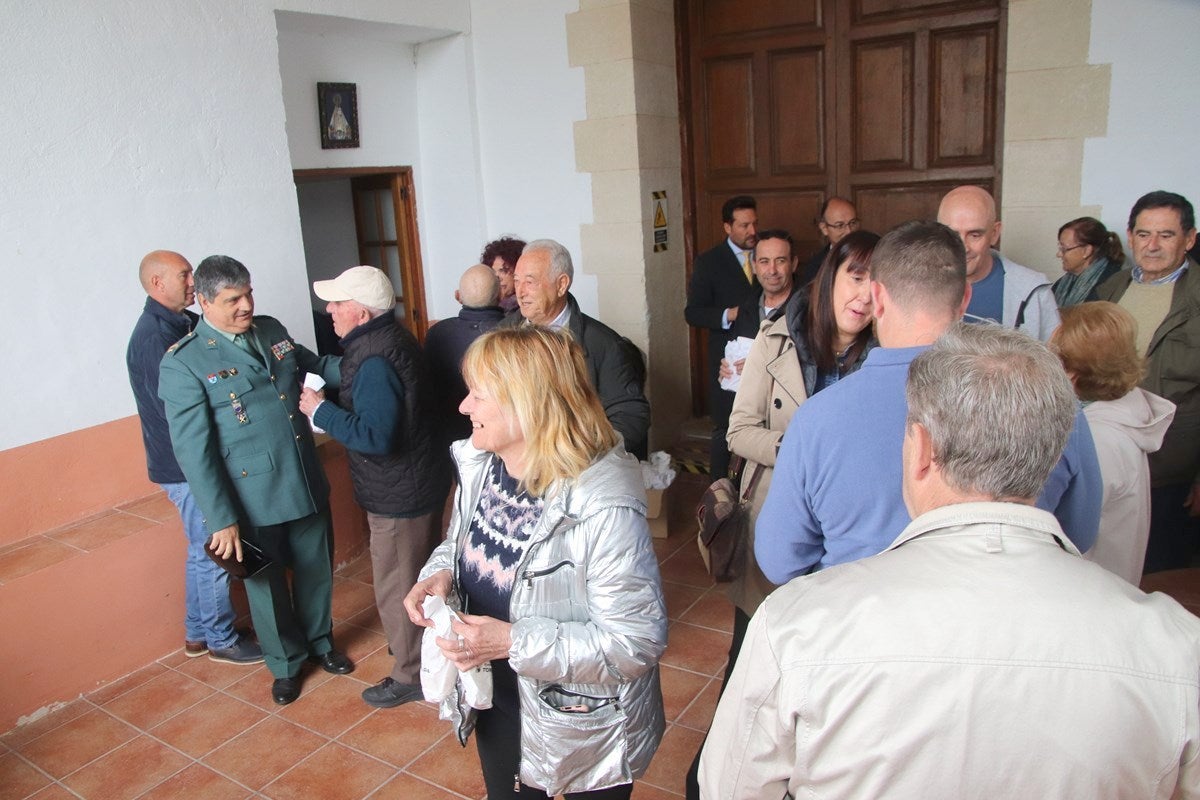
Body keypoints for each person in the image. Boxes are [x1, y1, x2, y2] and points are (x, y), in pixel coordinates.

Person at [700, 322, 1200, 799]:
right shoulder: (1176, 645)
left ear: (919, 450)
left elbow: (730, 787)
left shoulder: (796, 627)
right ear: (1050, 458)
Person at [755, 221, 1101, 586]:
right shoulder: (1051, 399)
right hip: (1004, 621)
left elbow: (779, 561)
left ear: (878, 297)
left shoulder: (816, 419)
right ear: (965, 298)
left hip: (862, 626)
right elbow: (1077, 536)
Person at [402, 326, 666, 800]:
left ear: (529, 404)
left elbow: (634, 642)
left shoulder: (601, 504)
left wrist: (510, 641)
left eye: (478, 395)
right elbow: (461, 542)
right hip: (499, 702)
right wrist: (439, 574)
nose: (464, 407)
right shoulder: (483, 466)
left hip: (582, 721)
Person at [683, 230, 878, 800]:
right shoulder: (777, 339)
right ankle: (710, 779)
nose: (864, 295)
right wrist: (806, 448)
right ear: (829, 279)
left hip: (849, 534)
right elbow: (740, 429)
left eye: (876, 280)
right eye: (854, 277)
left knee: (831, 666)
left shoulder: (889, 355)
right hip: (778, 516)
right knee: (752, 658)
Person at [158, 255, 353, 706]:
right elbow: (194, 451)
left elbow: (315, 365)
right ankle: (285, 664)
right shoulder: (184, 364)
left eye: (248, 293)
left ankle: (320, 644)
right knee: (265, 588)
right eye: (232, 300)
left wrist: (374, 360)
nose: (245, 305)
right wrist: (221, 518)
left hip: (302, 476)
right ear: (204, 303)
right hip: (250, 497)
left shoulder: (269, 329)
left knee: (314, 571)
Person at [298, 265, 451, 708]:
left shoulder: (376, 359)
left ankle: (410, 674)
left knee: (398, 583)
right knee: (415, 574)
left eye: (339, 303)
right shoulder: (385, 340)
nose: (330, 310)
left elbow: (376, 436)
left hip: (399, 492)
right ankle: (417, 653)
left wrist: (320, 410)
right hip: (414, 482)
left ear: (361, 313)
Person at [125, 250, 262, 665]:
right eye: (185, 275)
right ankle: (221, 639)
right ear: (157, 284)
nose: (192, 282)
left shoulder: (178, 322)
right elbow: (180, 416)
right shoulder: (155, 338)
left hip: (186, 464)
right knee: (216, 548)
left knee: (201, 549)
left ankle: (198, 633)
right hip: (185, 467)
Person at [1097, 190, 1200, 573]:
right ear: (1130, 235)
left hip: (1170, 470)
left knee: (1161, 575)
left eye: (1166, 235)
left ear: (1189, 239)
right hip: (1109, 459)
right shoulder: (1109, 291)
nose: (1152, 246)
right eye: (1143, 235)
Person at [1051, 302, 1175, 583]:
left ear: (1073, 371)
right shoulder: (1122, 410)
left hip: (1090, 586)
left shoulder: (1099, 438)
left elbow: (1063, 532)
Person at [503, 238, 650, 459]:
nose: (520, 292)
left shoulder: (604, 344)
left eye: (530, 281)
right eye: (516, 281)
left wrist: (586, 454)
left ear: (562, 284)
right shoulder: (500, 337)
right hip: (518, 464)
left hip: (579, 465)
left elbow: (630, 415)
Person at [685, 195, 759, 479]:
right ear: (727, 227)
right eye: (743, 225)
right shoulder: (709, 262)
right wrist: (729, 314)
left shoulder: (765, 255)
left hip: (763, 354)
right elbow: (693, 313)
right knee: (725, 428)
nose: (752, 231)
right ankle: (718, 491)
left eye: (754, 223)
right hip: (727, 360)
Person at [937, 184, 1059, 340]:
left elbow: (1054, 358)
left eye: (975, 235)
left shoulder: (1033, 290)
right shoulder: (914, 285)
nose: (963, 247)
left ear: (994, 233)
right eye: (952, 235)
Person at [424, 264, 505, 446]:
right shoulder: (512, 335)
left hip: (448, 435)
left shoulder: (437, 333)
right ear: (500, 295)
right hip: (499, 436)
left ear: (458, 296)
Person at [1051, 216, 1126, 307]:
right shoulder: (1062, 284)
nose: (1058, 254)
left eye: (1064, 249)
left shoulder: (1112, 283)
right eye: (1060, 248)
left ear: (1087, 251)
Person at [797, 197, 860, 286]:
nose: (849, 231)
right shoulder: (815, 267)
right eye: (840, 225)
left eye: (853, 223)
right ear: (824, 228)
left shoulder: (874, 254)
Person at [480, 236, 525, 314]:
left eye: (503, 271)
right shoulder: (483, 304)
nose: (497, 277)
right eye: (492, 271)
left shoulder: (526, 309)